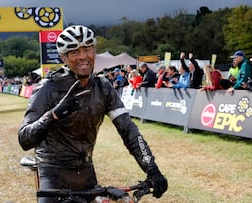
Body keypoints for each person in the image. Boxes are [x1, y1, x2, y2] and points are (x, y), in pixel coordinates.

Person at [18, 25, 168, 203]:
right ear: (63, 57)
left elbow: (129, 131)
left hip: (86, 172)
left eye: (87, 49)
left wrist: (152, 168)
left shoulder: (103, 87)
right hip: (53, 173)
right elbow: (25, 139)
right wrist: (53, 115)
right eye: (74, 52)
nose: (83, 56)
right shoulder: (48, 88)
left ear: (94, 51)